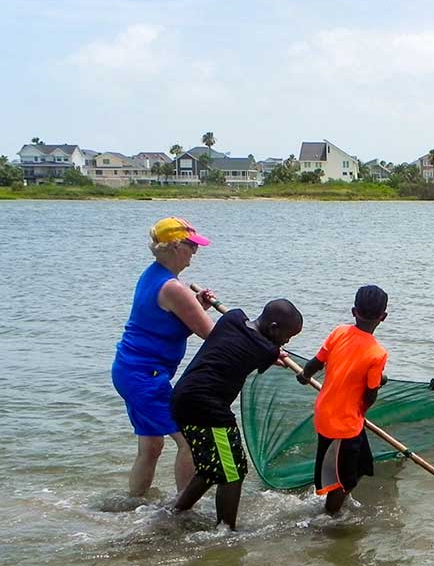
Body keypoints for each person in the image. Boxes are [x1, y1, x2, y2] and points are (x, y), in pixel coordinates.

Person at [172, 299, 303, 529]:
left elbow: (250, 345)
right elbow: (268, 353)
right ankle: (226, 530)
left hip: (183, 399)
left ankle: (177, 511)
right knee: (233, 471)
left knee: (211, 467)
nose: (286, 341)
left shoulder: (232, 317)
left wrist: (273, 352)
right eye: (287, 336)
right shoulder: (264, 349)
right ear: (273, 328)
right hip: (207, 408)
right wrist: (274, 353)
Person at [111, 217, 216, 497]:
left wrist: (198, 306)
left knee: (151, 447)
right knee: (190, 441)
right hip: (144, 376)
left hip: (129, 370)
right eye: (191, 245)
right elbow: (211, 334)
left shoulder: (154, 275)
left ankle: (133, 502)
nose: (195, 251)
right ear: (173, 247)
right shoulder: (173, 288)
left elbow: (169, 326)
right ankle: (183, 512)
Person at [297, 285, 389, 516]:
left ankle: (336, 498)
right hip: (343, 424)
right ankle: (329, 518)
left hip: (331, 415)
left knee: (363, 464)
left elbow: (315, 363)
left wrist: (304, 375)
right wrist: (362, 410)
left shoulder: (339, 333)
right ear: (383, 317)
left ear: (353, 311)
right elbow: (370, 394)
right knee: (343, 480)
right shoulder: (377, 353)